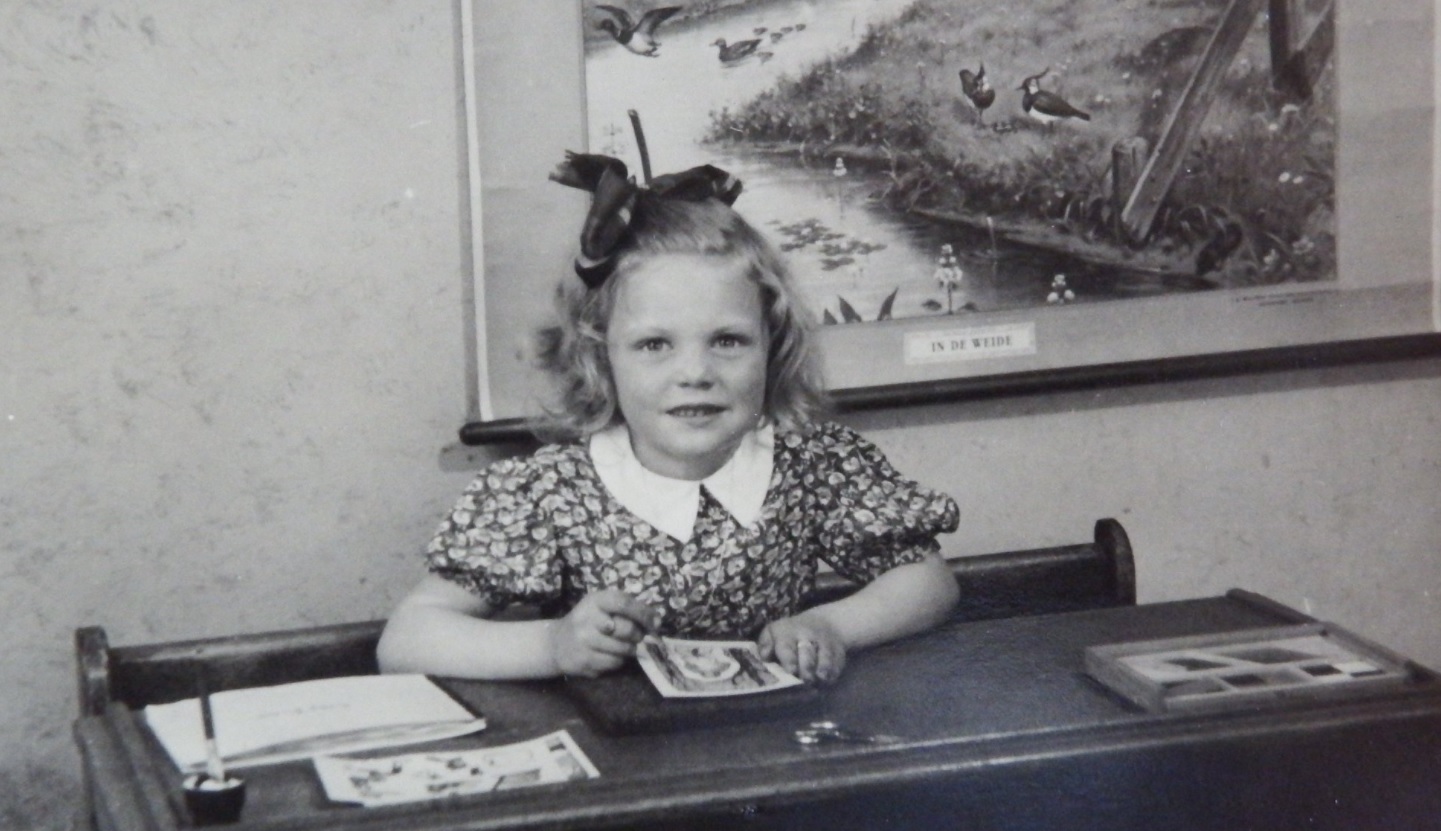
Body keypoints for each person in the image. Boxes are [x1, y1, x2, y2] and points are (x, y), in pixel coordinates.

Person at [377, 153, 960, 685]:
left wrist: (830, 625)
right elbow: (407, 640)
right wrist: (553, 644)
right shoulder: (548, 491)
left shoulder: (814, 465)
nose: (696, 373)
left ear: (773, 346)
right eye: (654, 345)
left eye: (728, 341)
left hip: (771, 738)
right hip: (620, 749)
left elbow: (928, 582)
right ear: (600, 358)